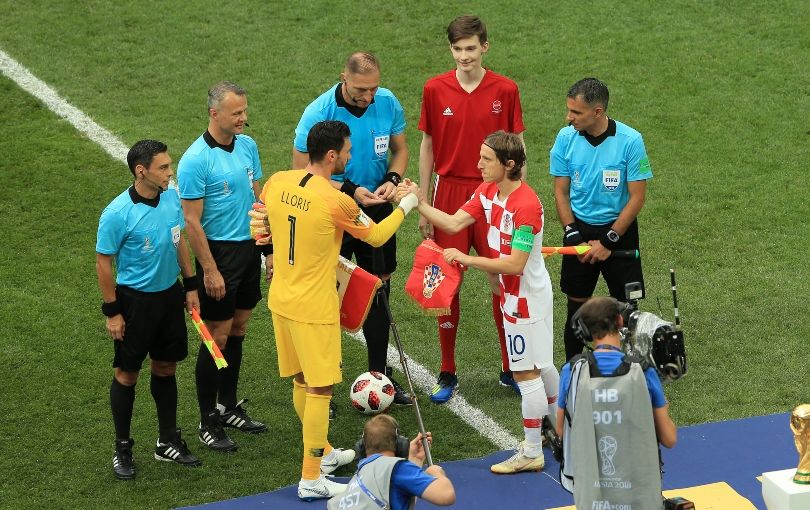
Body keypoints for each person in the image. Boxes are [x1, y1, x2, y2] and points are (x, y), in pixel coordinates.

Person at [255, 120, 419, 500]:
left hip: (281, 299)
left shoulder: (278, 182)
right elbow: (376, 235)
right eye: (347, 151)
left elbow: (261, 222)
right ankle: (311, 477)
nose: (350, 156)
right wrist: (408, 204)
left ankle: (324, 453)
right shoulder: (336, 201)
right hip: (314, 307)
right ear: (331, 156)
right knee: (320, 386)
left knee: (300, 380)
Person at [399, 131, 559, 474]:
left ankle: (532, 450)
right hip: (522, 294)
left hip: (525, 298)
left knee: (527, 371)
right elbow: (455, 221)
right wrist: (418, 201)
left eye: (486, 159)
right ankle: (558, 430)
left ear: (509, 164)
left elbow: (515, 263)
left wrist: (467, 260)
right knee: (543, 364)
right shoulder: (487, 191)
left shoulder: (526, 207)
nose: (478, 164)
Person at [292, 52, 412, 409]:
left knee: (379, 291)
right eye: (361, 89)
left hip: (377, 207)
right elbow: (302, 173)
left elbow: (401, 149)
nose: (369, 96)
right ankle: (321, 381)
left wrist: (392, 179)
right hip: (331, 213)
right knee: (329, 297)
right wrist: (347, 190)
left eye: (374, 87)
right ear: (343, 76)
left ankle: (379, 376)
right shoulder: (318, 113)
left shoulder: (387, 102)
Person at [418, 15, 527, 401]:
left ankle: (510, 366)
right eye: (458, 49)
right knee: (446, 284)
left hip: (494, 196)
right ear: (451, 50)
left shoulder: (506, 89)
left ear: (485, 46)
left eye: (471, 48)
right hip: (448, 194)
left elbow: (517, 150)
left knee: (502, 281)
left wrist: (516, 200)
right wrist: (424, 205)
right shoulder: (434, 89)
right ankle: (447, 372)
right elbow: (428, 145)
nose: (465, 56)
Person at [96, 140, 202, 480]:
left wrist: (190, 286)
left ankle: (167, 440)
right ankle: (122, 447)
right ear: (141, 171)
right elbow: (103, 262)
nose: (170, 172)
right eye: (163, 167)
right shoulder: (117, 213)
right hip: (135, 303)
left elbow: (178, 240)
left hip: (169, 297)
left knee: (166, 367)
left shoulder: (170, 198)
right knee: (127, 374)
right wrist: (112, 311)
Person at [177, 81, 268, 453]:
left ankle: (228, 406)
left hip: (248, 251)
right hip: (219, 255)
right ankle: (206, 420)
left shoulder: (247, 146)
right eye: (236, 113)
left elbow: (258, 200)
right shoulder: (196, 160)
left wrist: (267, 248)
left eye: (244, 111)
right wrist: (209, 271)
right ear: (215, 114)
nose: (244, 118)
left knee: (240, 326)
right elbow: (191, 222)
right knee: (216, 335)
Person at [550, 77, 653, 362]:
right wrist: (572, 233)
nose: (569, 117)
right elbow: (560, 191)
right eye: (569, 110)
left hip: (619, 232)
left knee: (628, 310)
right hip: (579, 231)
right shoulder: (565, 138)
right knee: (576, 307)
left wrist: (609, 240)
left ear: (597, 112)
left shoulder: (631, 141)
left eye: (576, 112)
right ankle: (571, 370)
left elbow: (636, 198)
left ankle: (631, 370)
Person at [556, 296, 677, 509]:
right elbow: (669, 438)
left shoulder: (571, 371)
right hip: (640, 495)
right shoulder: (643, 372)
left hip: (591, 496)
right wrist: (663, 405)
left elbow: (561, 435)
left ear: (585, 331)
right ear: (620, 322)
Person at [327, 415, 455, 509]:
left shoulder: (360, 477)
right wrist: (436, 473)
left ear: (361, 447)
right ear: (400, 445)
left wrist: (415, 460)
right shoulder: (397, 469)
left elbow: (397, 500)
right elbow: (446, 495)